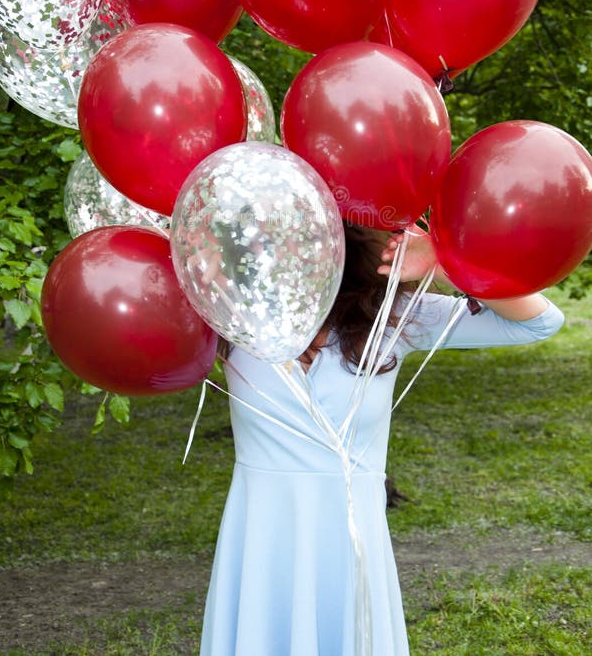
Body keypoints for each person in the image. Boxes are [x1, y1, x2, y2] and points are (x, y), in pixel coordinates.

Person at [199, 222, 564, 656]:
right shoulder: (231, 311)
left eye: (302, 225)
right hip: (261, 536)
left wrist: (445, 261)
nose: (285, 238)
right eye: (270, 223)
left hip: (350, 540)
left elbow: (539, 323)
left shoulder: (393, 313)